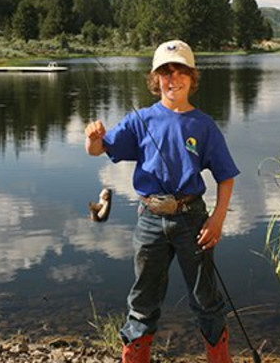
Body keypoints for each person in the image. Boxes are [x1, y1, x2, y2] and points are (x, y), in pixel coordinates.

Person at [85, 39, 240, 363]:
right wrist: (92, 138)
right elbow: (99, 150)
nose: (173, 79)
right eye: (166, 72)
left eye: (180, 71)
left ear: (192, 78)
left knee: (206, 300)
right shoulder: (140, 120)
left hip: (193, 219)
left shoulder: (204, 125)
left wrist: (217, 219)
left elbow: (225, 177)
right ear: (155, 80)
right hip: (150, 219)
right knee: (143, 299)